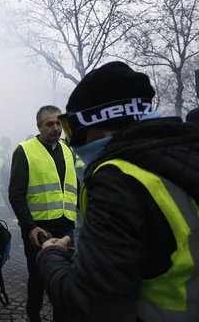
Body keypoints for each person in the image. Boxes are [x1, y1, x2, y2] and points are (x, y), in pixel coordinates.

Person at [37, 61, 199, 321]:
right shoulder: (183, 154)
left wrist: (51, 255)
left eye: (70, 128)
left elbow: (89, 303)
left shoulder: (117, 178)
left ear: (95, 123)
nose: (68, 137)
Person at [8, 106, 77, 322]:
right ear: (39, 126)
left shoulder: (68, 150)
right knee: (38, 277)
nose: (56, 128)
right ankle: (33, 314)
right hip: (39, 228)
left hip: (66, 225)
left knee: (67, 277)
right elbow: (15, 193)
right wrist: (29, 226)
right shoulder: (25, 150)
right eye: (50, 124)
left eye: (58, 123)